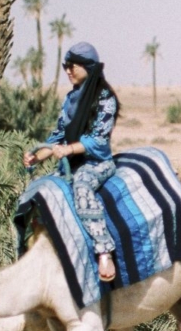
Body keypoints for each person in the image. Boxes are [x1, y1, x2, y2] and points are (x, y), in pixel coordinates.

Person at [23, 41, 121, 282]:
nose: (67, 71)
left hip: (95, 163)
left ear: (88, 67)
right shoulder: (70, 100)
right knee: (41, 190)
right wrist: (36, 156)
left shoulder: (106, 99)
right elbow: (57, 136)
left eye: (72, 66)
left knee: (82, 189)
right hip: (69, 163)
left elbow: (98, 141)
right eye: (65, 66)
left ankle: (104, 250)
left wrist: (68, 150)